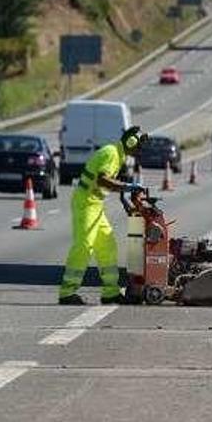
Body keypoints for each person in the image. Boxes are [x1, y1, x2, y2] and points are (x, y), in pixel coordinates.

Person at [59, 126, 148, 305]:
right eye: (138, 147)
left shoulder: (118, 155)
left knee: (107, 246)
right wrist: (128, 186)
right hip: (86, 204)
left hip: (96, 205)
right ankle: (67, 292)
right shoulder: (111, 153)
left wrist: (126, 191)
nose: (139, 151)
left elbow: (108, 183)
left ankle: (111, 293)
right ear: (130, 143)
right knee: (84, 246)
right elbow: (103, 179)